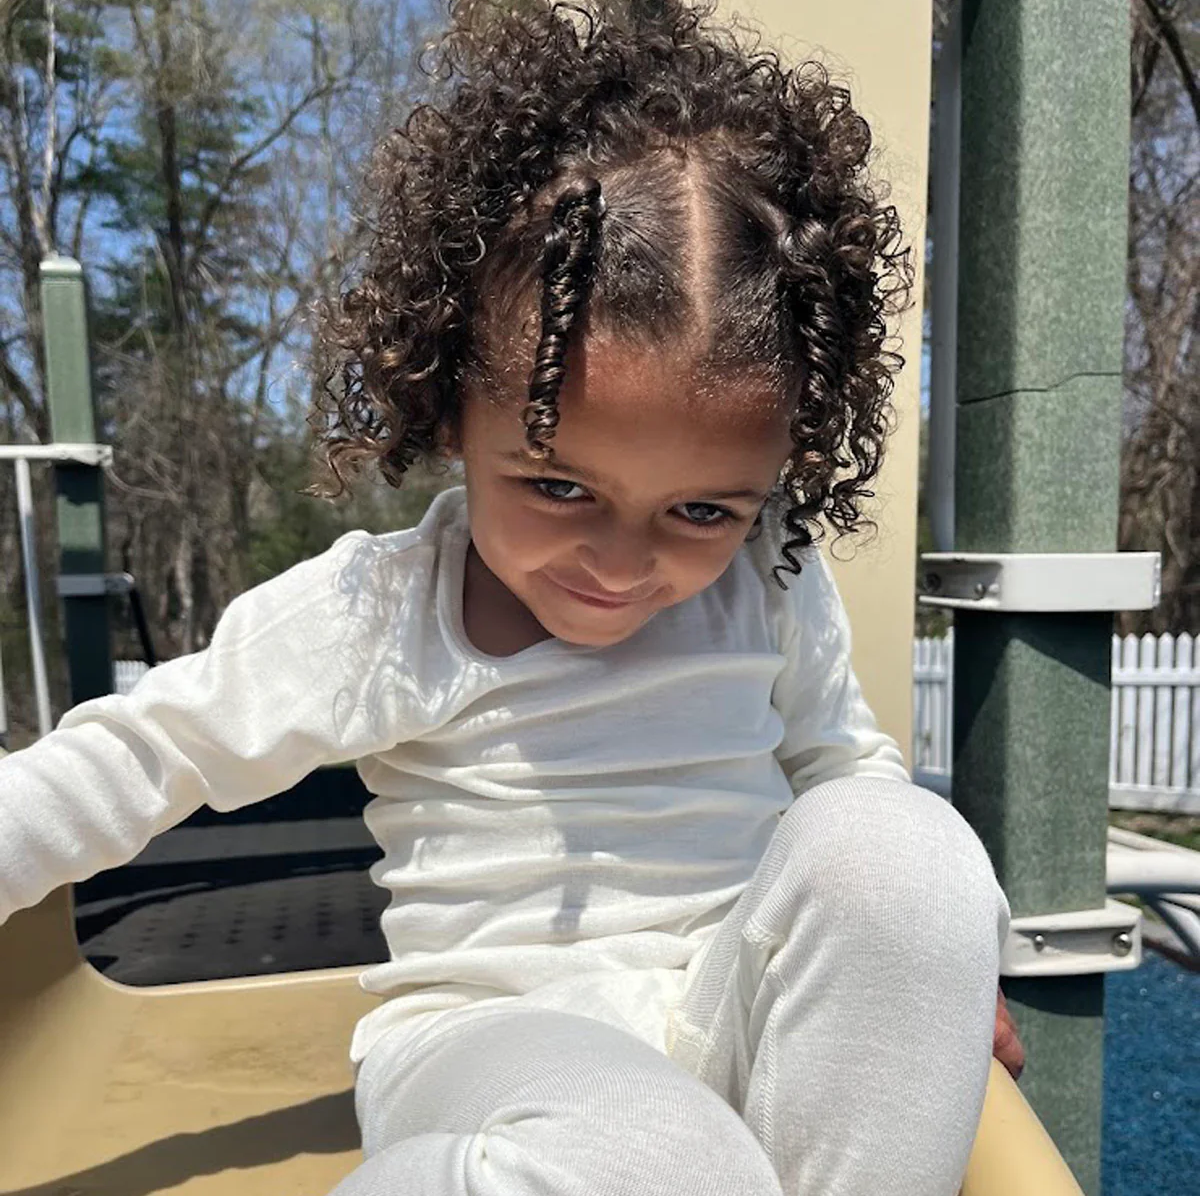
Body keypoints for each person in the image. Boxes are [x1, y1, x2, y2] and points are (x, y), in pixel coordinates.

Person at [0, 3, 1022, 1193]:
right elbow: (138, 756)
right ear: (449, 410)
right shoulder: (387, 612)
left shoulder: (767, 574)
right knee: (663, 1157)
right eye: (558, 485)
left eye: (702, 508)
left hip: (731, 1015)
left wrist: (929, 962)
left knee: (913, 850)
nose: (622, 562)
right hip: (492, 1042)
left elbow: (845, 769)